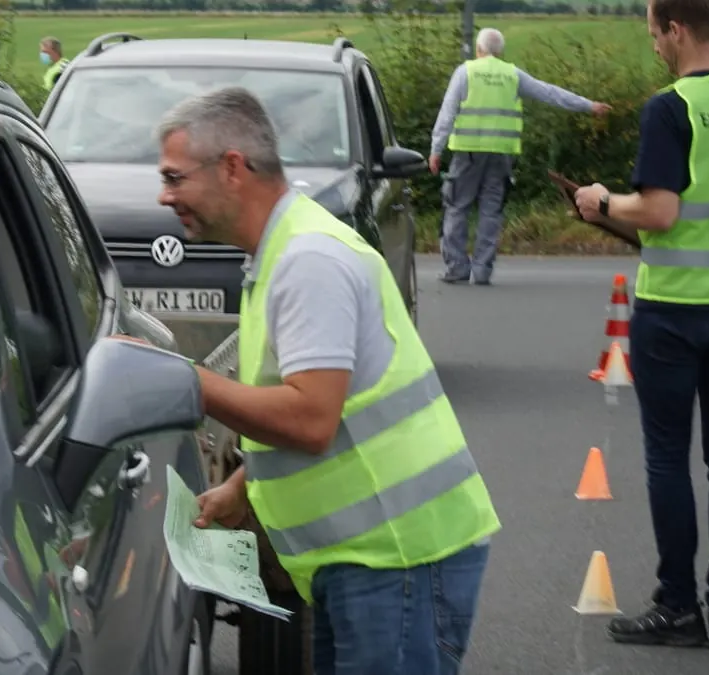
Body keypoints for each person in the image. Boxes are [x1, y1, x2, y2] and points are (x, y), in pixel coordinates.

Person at [143, 86, 502, 673]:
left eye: (176, 177)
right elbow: (320, 409)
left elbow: (311, 419)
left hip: (397, 559)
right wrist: (244, 488)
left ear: (232, 167)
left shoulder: (308, 260)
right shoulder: (281, 253)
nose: (165, 195)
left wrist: (186, 380)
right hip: (367, 559)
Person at [574, 0, 709, 649]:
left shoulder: (672, 107)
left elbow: (658, 211)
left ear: (678, 30)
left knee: (668, 459)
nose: (654, 44)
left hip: (673, 311)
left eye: (655, 32)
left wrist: (603, 201)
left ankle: (679, 604)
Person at [430, 27, 612, 285]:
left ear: (480, 49)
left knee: (457, 207)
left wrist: (436, 150)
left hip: (468, 154)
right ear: (500, 51)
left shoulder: (465, 72)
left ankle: (458, 267)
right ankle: (482, 271)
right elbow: (550, 93)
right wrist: (588, 105)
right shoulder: (512, 75)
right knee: (491, 211)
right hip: (502, 156)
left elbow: (447, 114)